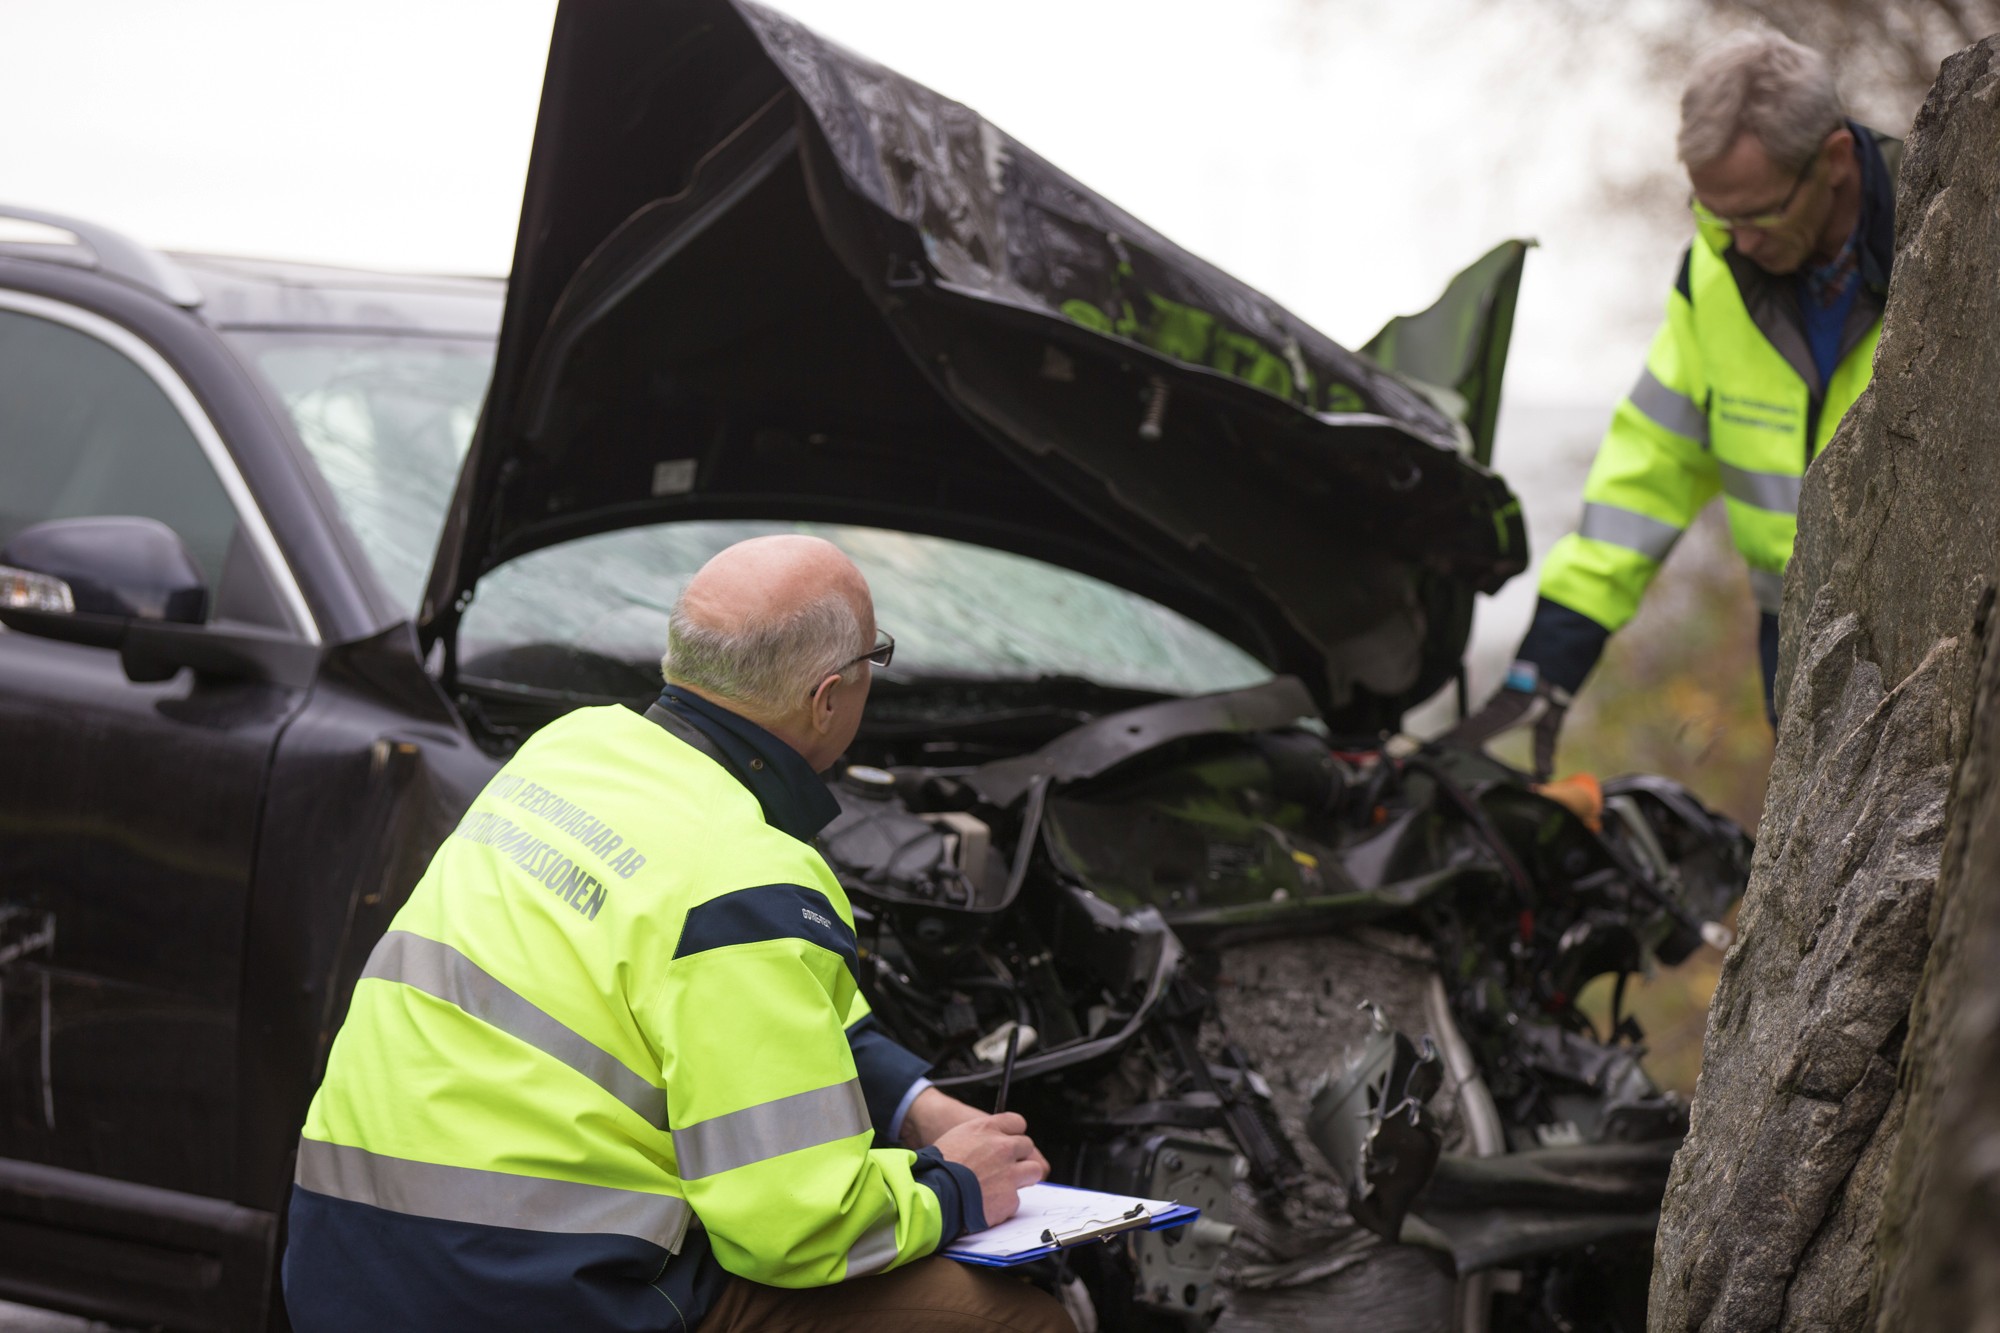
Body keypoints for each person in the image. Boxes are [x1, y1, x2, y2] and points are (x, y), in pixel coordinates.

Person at [283, 534, 1072, 1332]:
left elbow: (751, 1012)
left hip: (344, 1263)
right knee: (1018, 1319)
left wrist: (914, 1103)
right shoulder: (747, 878)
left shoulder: (564, 753)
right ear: (827, 698)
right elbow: (797, 1228)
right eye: (877, 658)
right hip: (533, 1298)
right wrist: (957, 1185)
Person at [1450, 31, 1900, 777]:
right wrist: (1550, 661)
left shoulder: (1953, 229)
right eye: (1714, 214)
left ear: (1835, 163)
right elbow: (1651, 463)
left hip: (1941, 621)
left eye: (1758, 214)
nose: (1739, 242)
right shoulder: (1713, 269)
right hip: (1791, 631)